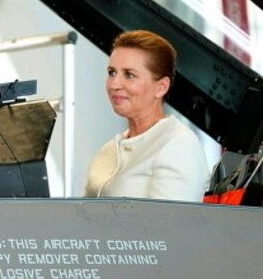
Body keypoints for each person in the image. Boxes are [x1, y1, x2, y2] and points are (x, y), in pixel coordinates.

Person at [84, 29, 210, 202]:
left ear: (161, 87)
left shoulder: (178, 144)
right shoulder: (108, 150)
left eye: (129, 75)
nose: (114, 84)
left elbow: (171, 225)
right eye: (112, 72)